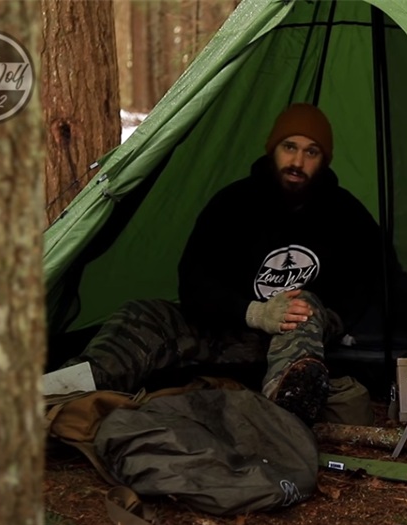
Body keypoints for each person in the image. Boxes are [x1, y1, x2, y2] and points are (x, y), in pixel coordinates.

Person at [52, 103, 382, 425]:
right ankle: (62, 389)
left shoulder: (346, 215)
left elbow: (369, 282)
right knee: (140, 314)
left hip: (297, 342)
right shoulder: (233, 204)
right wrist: (254, 312)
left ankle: (287, 416)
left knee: (301, 307)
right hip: (228, 330)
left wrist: (331, 319)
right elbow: (194, 282)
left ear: (324, 160)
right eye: (289, 147)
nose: (297, 161)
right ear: (273, 149)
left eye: (311, 152)